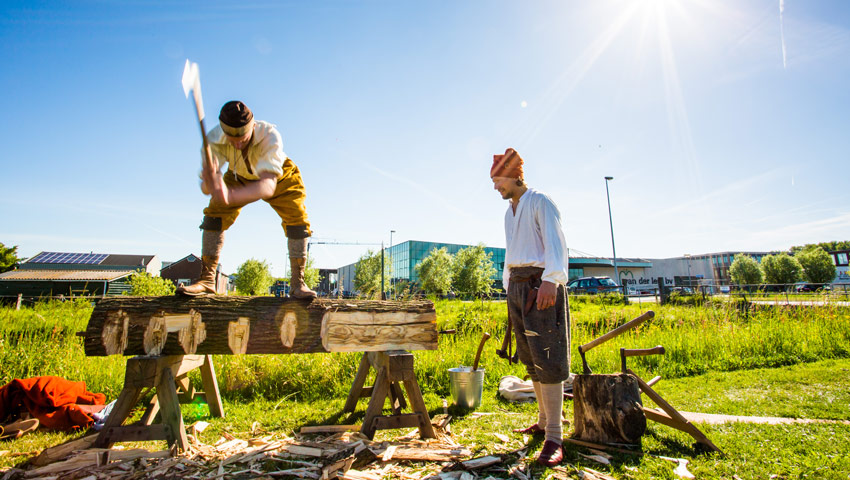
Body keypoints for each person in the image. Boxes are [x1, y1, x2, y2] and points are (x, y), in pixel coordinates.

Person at [177, 100, 316, 298]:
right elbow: (205, 188)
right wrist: (210, 180)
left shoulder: (270, 136)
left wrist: (231, 196)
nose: (237, 143)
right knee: (214, 215)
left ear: (252, 127)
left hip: (279, 177)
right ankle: (207, 280)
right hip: (238, 176)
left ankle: (297, 283)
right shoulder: (214, 140)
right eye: (231, 139)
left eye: (243, 137)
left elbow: (267, 187)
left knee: (297, 219)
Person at [490, 148, 570, 467]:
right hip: (519, 288)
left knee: (548, 355)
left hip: (541, 284)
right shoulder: (509, 212)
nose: (496, 187)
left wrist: (551, 280)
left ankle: (554, 435)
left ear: (514, 175)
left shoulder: (541, 201)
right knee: (531, 357)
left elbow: (556, 243)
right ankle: (541, 421)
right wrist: (509, 289)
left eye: (498, 180)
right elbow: (512, 253)